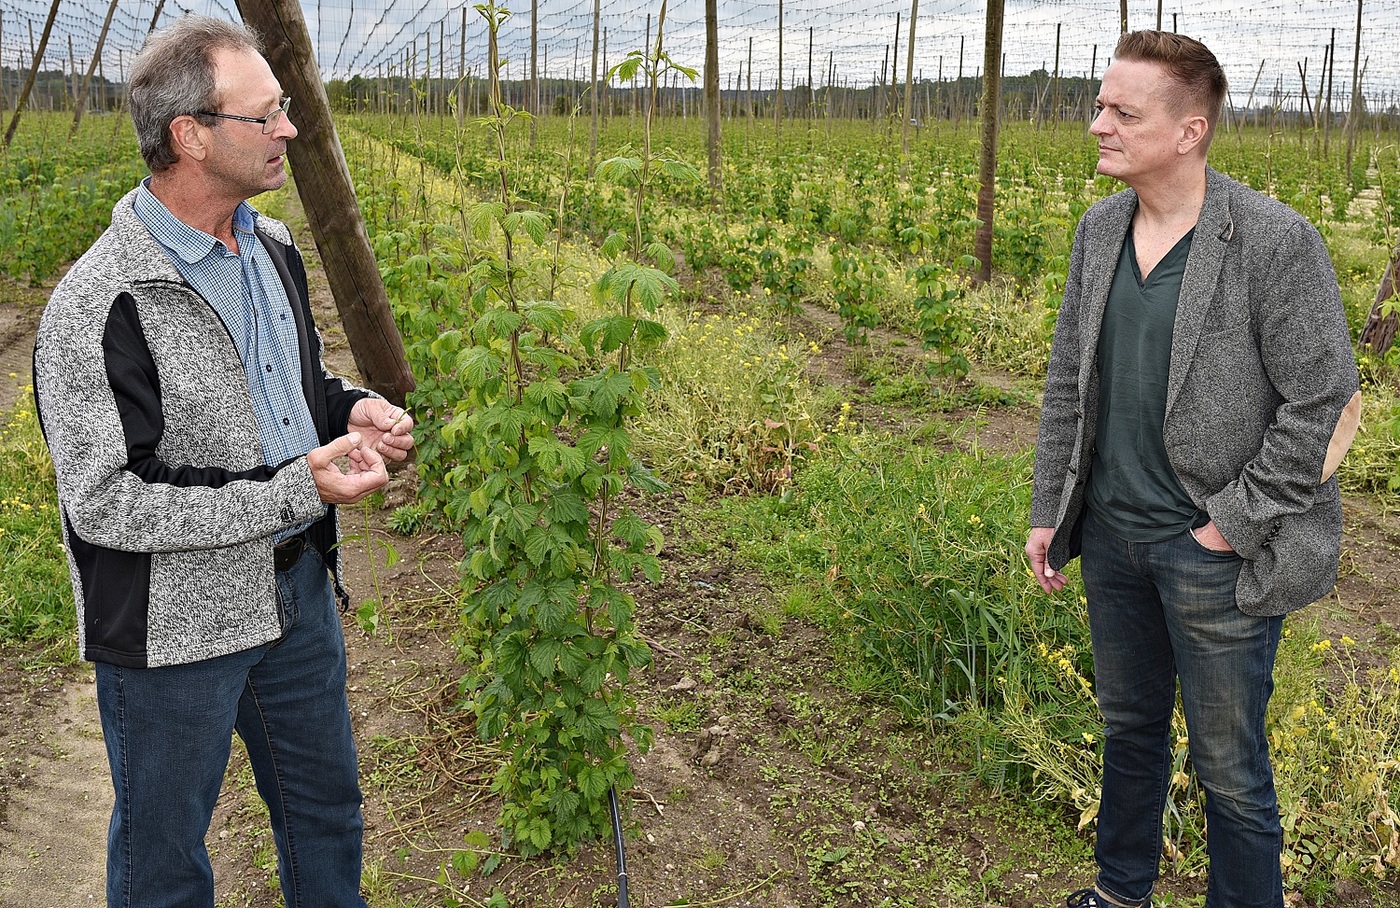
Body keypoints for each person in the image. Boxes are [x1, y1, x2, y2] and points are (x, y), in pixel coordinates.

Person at [32, 15, 414, 907]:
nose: (291, 130)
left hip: (296, 596)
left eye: (285, 110)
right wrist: (296, 489)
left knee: (326, 813)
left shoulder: (271, 246)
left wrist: (350, 406)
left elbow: (295, 380)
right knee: (165, 860)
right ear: (190, 135)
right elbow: (107, 503)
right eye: (266, 115)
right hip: (176, 632)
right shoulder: (101, 303)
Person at [1025, 30, 1360, 908]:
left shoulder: (1273, 242)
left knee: (1230, 771)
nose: (1097, 123)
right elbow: (1070, 380)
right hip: (1114, 538)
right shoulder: (1100, 229)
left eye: (1121, 112)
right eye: (1100, 105)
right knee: (1129, 732)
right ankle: (1118, 891)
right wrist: (1047, 509)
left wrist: (1230, 524)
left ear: (1189, 131)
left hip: (1211, 553)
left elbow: (1322, 404)